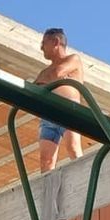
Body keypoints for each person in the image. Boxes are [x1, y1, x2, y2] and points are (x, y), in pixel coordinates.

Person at [35, 27, 85, 171]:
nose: (41, 47)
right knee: (46, 160)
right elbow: (36, 85)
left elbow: (57, 73)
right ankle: (47, 190)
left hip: (69, 110)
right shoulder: (44, 71)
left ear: (56, 42)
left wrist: (45, 79)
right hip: (49, 116)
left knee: (73, 148)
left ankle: (84, 177)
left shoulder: (73, 59)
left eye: (44, 43)